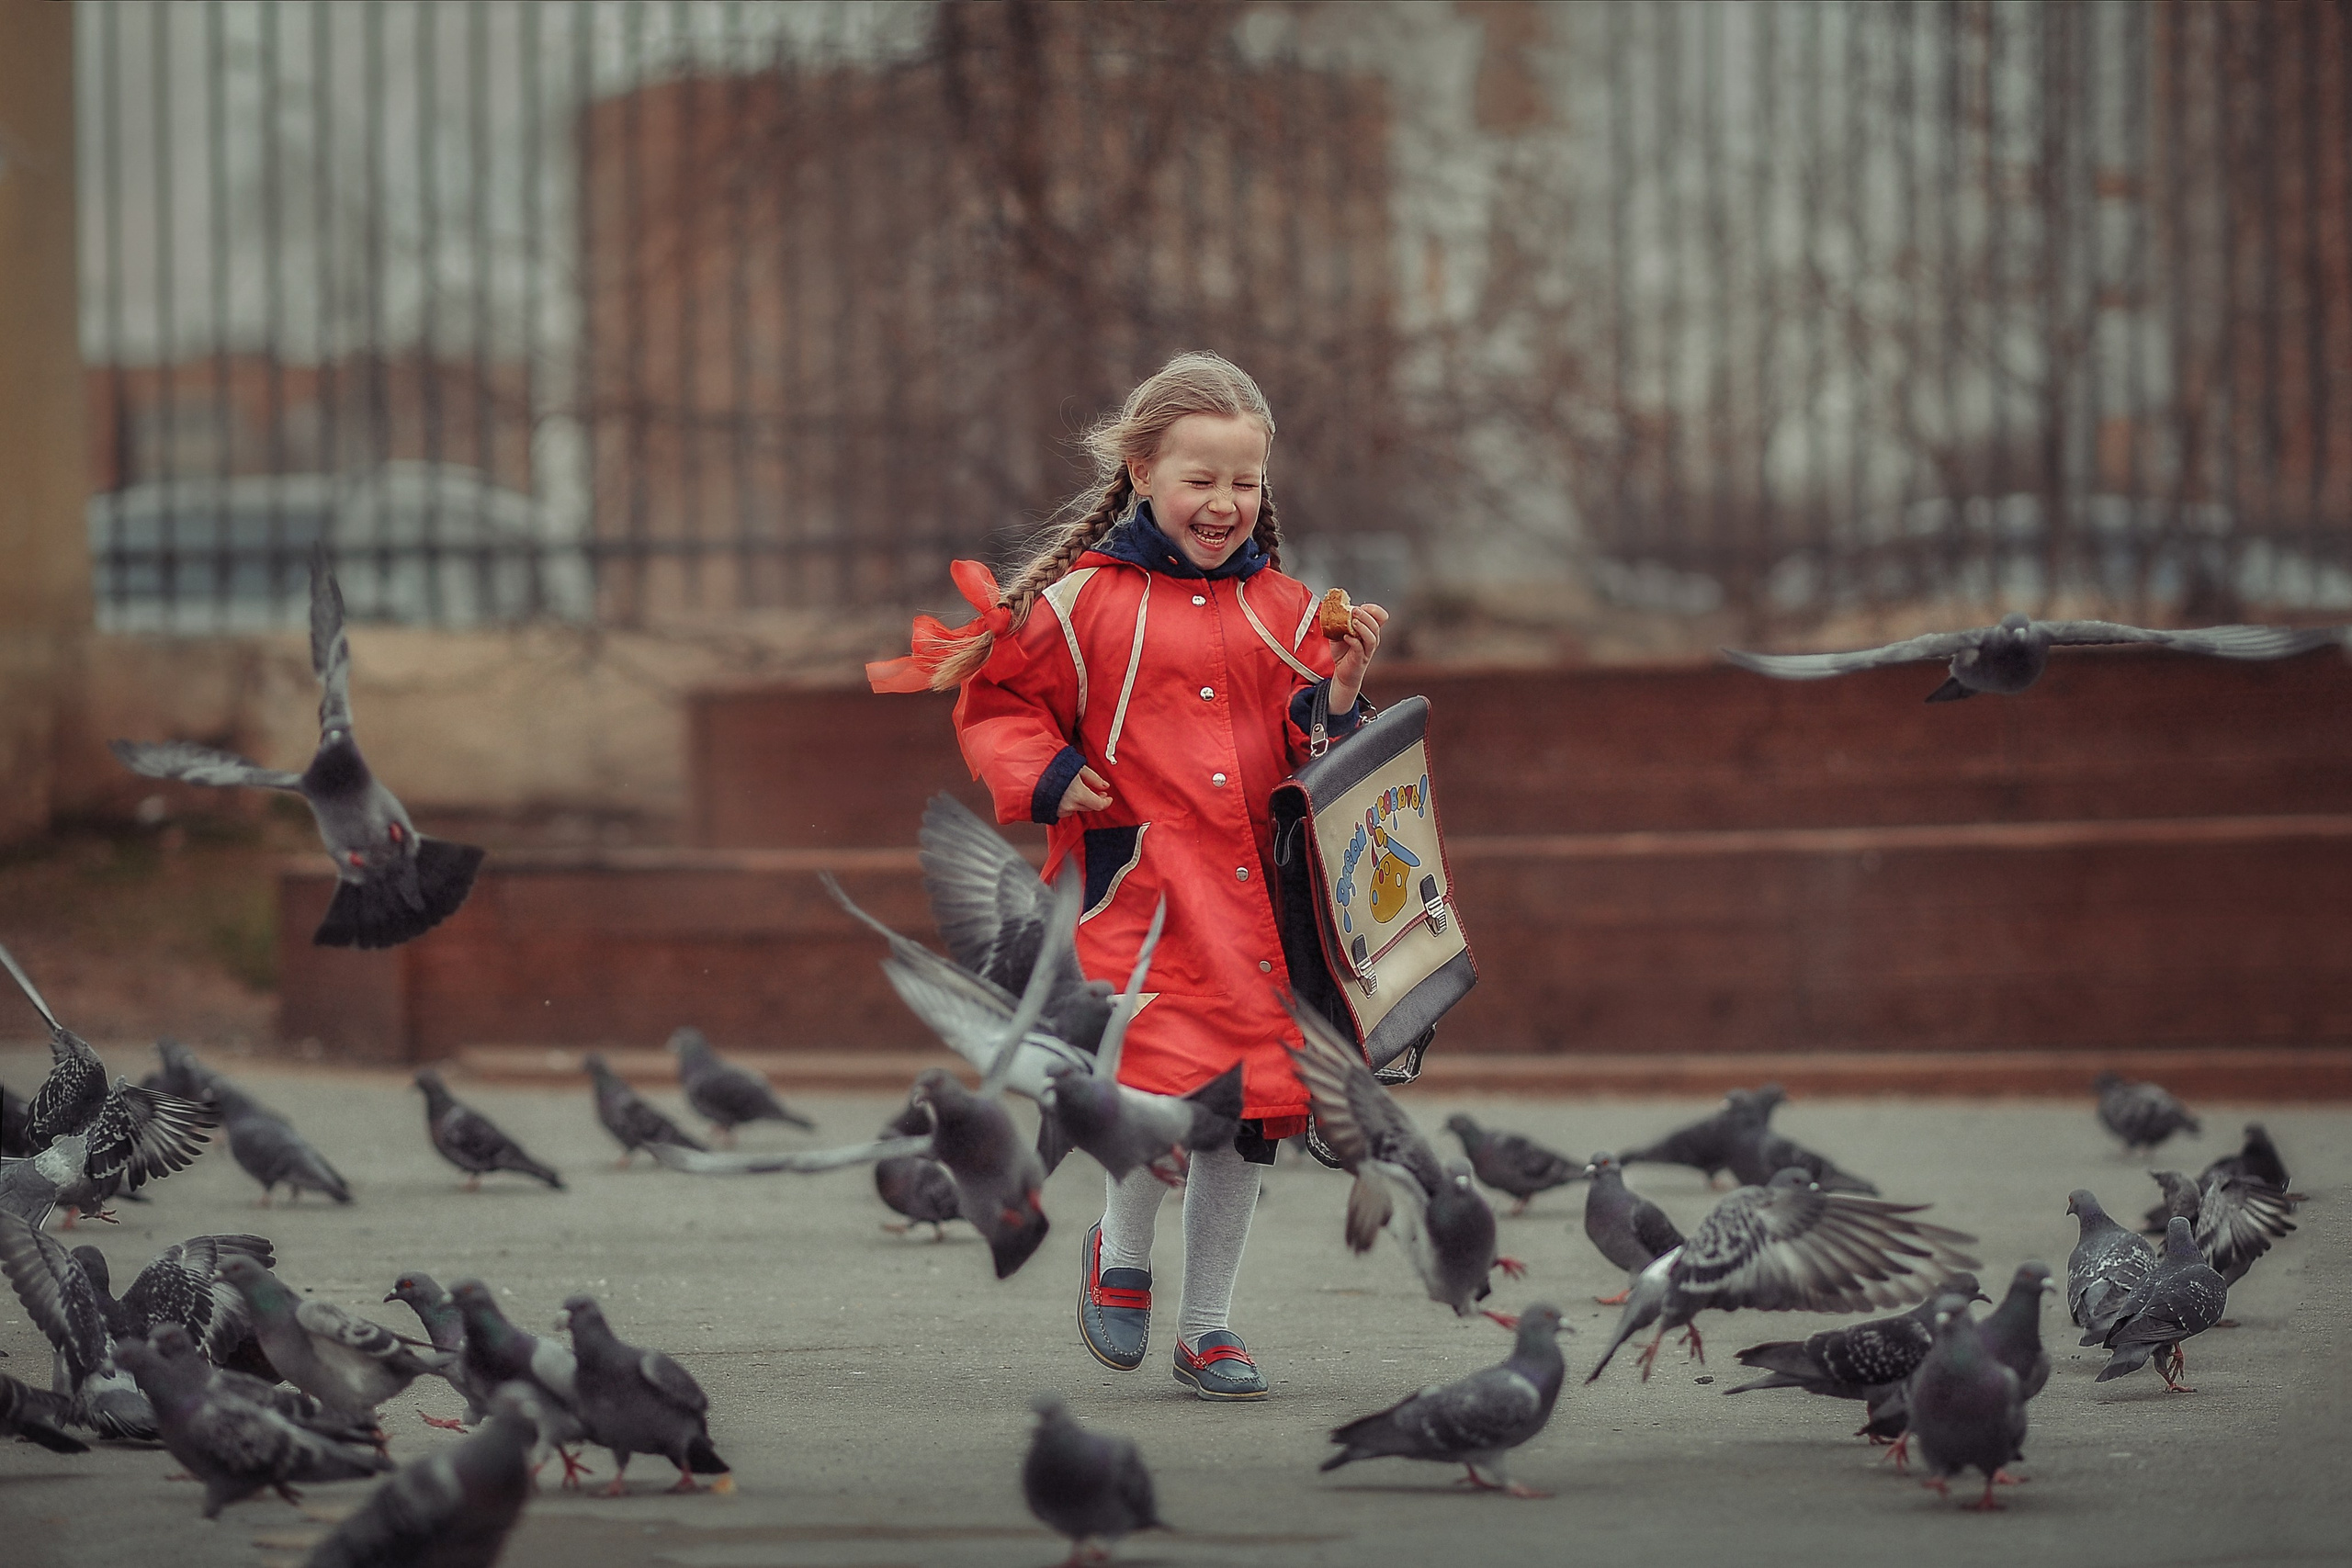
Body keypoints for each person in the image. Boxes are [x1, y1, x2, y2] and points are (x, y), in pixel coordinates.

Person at [869, 351, 1386, 1399]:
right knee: (1148, 1098)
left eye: (1245, 482)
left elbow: (1311, 757)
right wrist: (1047, 774)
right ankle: (1122, 1252)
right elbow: (996, 704)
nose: (1225, 502)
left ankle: (1209, 1326)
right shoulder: (1077, 606)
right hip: (1135, 907)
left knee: (1243, 1121)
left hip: (1255, 918)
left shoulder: (1290, 612)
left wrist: (1339, 695)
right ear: (1142, 471)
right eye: (1200, 478)